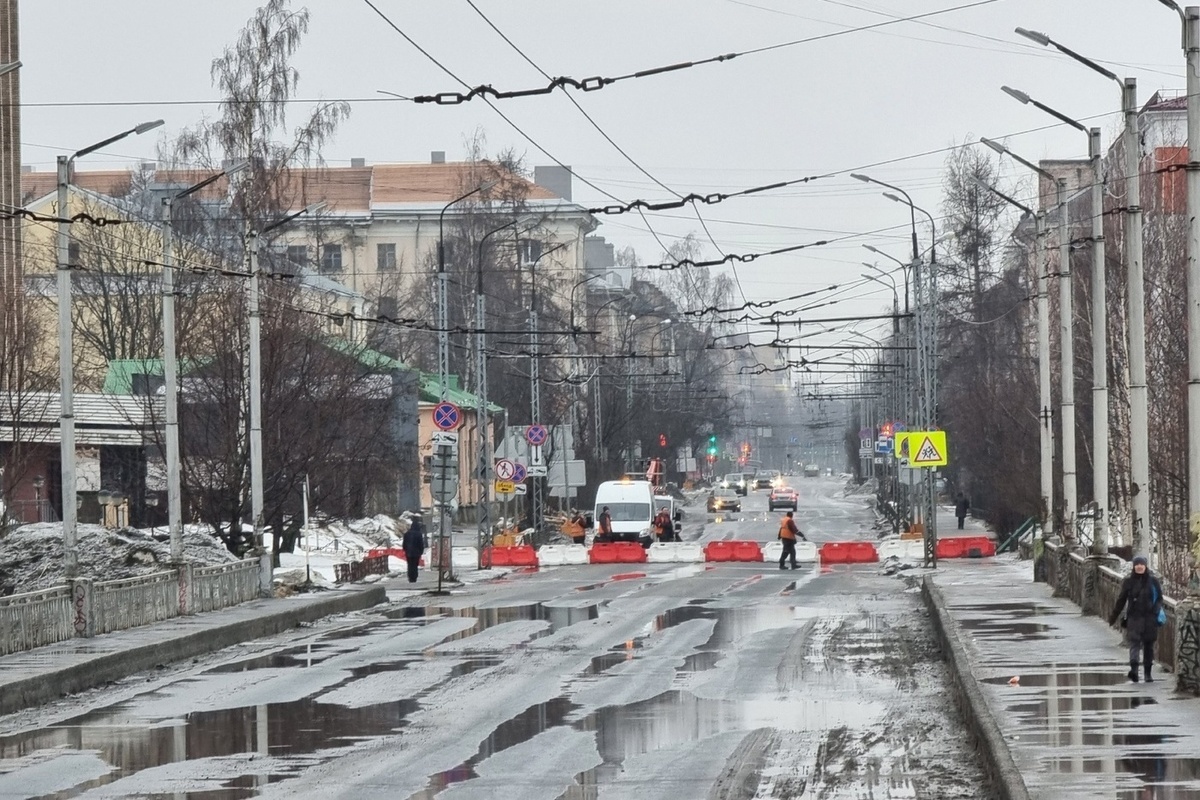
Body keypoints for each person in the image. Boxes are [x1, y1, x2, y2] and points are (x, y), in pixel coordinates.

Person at [1108, 555, 1165, 682]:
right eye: (1137, 564)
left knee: (1148, 645)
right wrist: (1113, 617)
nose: (1139, 566)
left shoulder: (1153, 581)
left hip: (1150, 618)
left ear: (1145, 566)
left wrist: (1155, 610)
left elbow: (1160, 598)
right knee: (1134, 644)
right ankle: (1134, 670)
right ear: (1134, 566)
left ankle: (1147, 673)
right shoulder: (1128, 582)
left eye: (1142, 564)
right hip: (1134, 617)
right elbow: (1121, 600)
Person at [402, 514, 426, 584]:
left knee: (410, 565)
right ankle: (414, 577)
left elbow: (404, 544)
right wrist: (421, 551)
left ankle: (410, 577)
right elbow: (421, 544)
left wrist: (405, 550)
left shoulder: (407, 534)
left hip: (409, 552)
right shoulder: (419, 534)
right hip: (416, 553)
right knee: (415, 565)